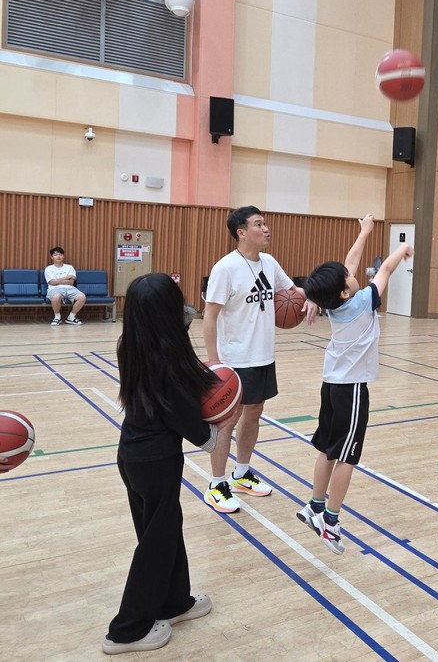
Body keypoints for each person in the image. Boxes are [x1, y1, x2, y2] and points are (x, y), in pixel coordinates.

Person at [104, 273, 239, 655]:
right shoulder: (168, 360)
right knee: (156, 543)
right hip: (157, 461)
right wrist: (220, 427)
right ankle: (127, 631)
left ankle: (174, 601)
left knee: (163, 530)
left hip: (132, 455)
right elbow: (192, 424)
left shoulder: (130, 344)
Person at [297, 214, 413, 554]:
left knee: (327, 449)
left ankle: (315, 505)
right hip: (352, 390)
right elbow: (386, 269)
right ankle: (331, 521)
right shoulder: (363, 301)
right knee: (347, 457)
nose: (353, 272)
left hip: (331, 385)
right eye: (349, 276)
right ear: (345, 290)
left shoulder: (336, 304)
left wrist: (364, 232)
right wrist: (402, 249)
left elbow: (350, 263)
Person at [202, 206, 315, 513]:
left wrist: (311, 297)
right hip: (235, 359)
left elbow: (292, 291)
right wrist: (214, 362)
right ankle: (216, 484)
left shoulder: (269, 262)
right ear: (241, 232)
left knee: (254, 413)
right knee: (227, 421)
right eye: (258, 224)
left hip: (263, 356)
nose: (266, 229)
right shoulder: (225, 268)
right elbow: (209, 317)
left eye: (265, 223)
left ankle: (241, 473)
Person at [44, 246, 87, 326]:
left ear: (63, 256)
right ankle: (57, 317)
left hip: (69, 288)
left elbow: (71, 282)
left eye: (60, 254)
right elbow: (52, 282)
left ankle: (71, 317)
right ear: (52, 257)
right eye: (56, 255)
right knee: (56, 297)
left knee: (82, 297)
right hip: (55, 288)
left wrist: (58, 280)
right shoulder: (49, 269)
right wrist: (67, 277)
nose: (58, 256)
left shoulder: (69, 267)